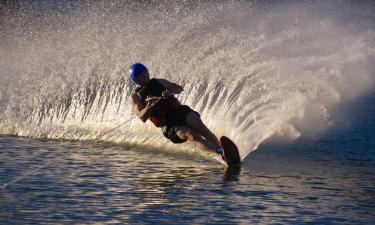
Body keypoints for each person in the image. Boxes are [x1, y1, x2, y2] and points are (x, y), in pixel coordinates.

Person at [128, 63, 225, 159]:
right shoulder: (135, 97)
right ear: (136, 79)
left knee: (201, 127)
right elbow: (142, 117)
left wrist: (170, 91)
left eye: (145, 72)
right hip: (169, 124)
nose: (145, 75)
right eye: (141, 74)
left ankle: (223, 151)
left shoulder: (159, 82)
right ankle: (219, 151)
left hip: (180, 112)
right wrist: (149, 105)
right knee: (192, 136)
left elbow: (179, 89)